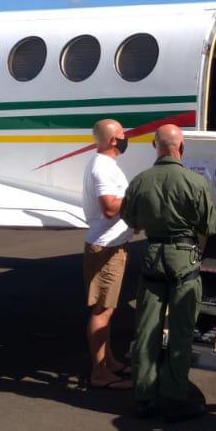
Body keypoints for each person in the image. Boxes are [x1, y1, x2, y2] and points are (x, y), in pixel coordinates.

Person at [120, 124, 216, 422]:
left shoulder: (140, 181)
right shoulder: (194, 182)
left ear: (154, 147)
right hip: (183, 260)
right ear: (181, 147)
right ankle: (174, 395)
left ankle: (144, 396)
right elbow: (208, 226)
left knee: (147, 330)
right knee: (181, 334)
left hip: (151, 259)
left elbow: (129, 218)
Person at [81, 119, 133, 390]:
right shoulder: (102, 168)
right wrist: (138, 199)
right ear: (114, 140)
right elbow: (110, 208)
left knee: (108, 309)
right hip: (106, 247)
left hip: (112, 245)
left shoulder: (104, 164)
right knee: (101, 311)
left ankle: (109, 361)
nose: (126, 139)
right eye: (123, 135)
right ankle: (99, 373)